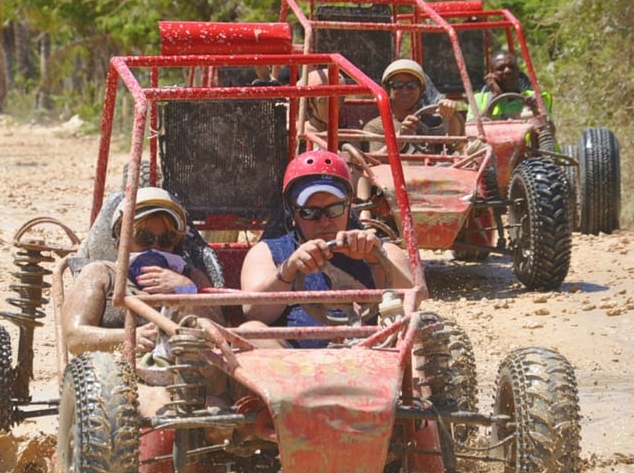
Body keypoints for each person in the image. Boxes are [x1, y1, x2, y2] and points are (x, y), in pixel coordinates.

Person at [239, 150, 419, 348]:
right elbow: (253, 313)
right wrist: (288, 270)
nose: (324, 222)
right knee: (251, 331)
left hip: (374, 354)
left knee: (419, 326)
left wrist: (376, 260)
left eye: (334, 209)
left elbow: (414, 301)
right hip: (294, 361)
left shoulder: (383, 250)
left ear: (348, 207)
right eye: (310, 212)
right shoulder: (268, 253)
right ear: (292, 212)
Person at [61, 187, 215, 358]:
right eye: (143, 237)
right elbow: (74, 338)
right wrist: (128, 338)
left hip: (181, 370)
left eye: (167, 239)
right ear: (120, 241)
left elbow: (219, 335)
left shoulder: (192, 278)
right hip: (114, 369)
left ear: (176, 244)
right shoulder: (100, 274)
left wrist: (187, 290)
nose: (155, 247)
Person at [361, 59, 463, 155]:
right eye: (397, 85)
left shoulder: (434, 121)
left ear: (421, 90)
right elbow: (376, 161)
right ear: (388, 90)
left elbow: (455, 144)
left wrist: (451, 114)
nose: (405, 91)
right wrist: (400, 138)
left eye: (412, 85)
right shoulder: (376, 127)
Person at [470, 50, 551, 120]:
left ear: (518, 71)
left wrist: (535, 111)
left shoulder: (535, 98)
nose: (507, 71)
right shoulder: (478, 100)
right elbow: (473, 128)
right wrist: (495, 97)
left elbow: (549, 128)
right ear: (491, 75)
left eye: (512, 67)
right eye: (500, 68)